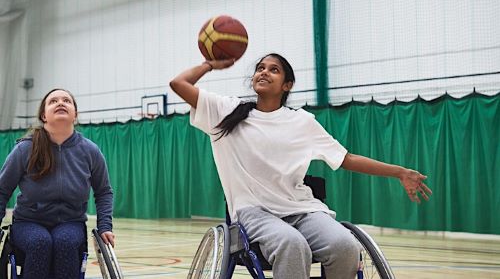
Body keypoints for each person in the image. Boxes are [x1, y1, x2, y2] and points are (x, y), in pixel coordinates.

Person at [170, 53, 432, 279]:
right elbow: (178, 84)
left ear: (287, 85)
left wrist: (399, 172)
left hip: (302, 209)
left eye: (273, 70)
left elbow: (346, 158)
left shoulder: (302, 122)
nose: (264, 72)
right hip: (254, 212)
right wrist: (210, 64)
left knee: (346, 245)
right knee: (291, 244)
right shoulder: (228, 111)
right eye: (260, 68)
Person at [0, 88, 115, 279]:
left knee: (65, 242)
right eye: (53, 101)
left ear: (75, 115)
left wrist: (105, 226)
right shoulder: (24, 149)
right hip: (28, 222)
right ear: (44, 115)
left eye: (66, 100)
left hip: (71, 222)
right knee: (40, 242)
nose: (60, 103)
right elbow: (2, 190)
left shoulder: (90, 151)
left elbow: (103, 192)